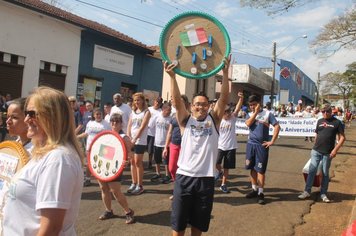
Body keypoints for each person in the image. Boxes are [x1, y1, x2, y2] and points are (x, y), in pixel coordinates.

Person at [164, 55, 230, 236]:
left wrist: (225, 73)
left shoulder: (214, 119)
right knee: (177, 229)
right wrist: (172, 77)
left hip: (205, 180)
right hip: (184, 179)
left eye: (204, 104)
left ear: (209, 106)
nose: (200, 107)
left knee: (197, 228)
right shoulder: (185, 120)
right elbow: (177, 102)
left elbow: (224, 98)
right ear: (191, 106)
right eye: (197, 105)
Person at [3, 86, 84, 235]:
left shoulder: (58, 160)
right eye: (26, 113)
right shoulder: (44, 153)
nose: (26, 119)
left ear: (52, 116)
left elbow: (50, 229)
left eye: (31, 114)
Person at [298, 104, 345, 202]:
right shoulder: (320, 121)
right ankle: (307, 191)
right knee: (312, 170)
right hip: (316, 150)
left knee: (325, 173)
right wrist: (315, 143)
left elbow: (342, 138)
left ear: (331, 112)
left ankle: (323, 193)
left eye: (327, 111)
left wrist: (335, 150)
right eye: (323, 111)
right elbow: (317, 133)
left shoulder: (337, 123)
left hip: (328, 153)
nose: (325, 113)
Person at [96, 113, 135, 224]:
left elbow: (130, 154)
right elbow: (101, 152)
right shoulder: (106, 135)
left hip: (115, 168)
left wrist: (126, 161)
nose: (114, 123)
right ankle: (108, 211)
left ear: (121, 123)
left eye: (117, 121)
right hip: (103, 165)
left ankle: (128, 212)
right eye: (112, 121)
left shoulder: (124, 137)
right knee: (103, 188)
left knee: (115, 191)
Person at [245, 94, 280, 205]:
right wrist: (255, 112)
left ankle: (261, 193)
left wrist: (272, 141)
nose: (252, 107)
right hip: (251, 145)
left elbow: (277, 126)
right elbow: (248, 124)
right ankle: (254, 189)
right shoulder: (249, 114)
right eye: (250, 105)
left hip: (262, 146)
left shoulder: (268, 114)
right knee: (252, 168)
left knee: (260, 170)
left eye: (254, 104)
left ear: (259, 103)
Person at [215, 92, 243, 193]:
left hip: (231, 147)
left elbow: (238, 108)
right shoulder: (219, 120)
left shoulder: (233, 118)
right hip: (220, 146)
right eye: (226, 112)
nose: (228, 113)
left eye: (229, 112)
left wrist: (241, 98)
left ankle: (223, 184)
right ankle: (220, 172)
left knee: (227, 167)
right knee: (216, 163)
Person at [77, 108, 111, 186]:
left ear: (102, 115)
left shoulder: (106, 124)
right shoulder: (90, 123)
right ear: (93, 115)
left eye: (100, 114)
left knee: (102, 163)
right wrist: (76, 137)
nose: (98, 116)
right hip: (90, 147)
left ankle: (103, 178)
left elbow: (109, 136)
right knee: (89, 163)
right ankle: (88, 179)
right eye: (97, 114)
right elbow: (86, 134)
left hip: (102, 148)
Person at [127, 93, 151, 195]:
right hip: (132, 140)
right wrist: (129, 138)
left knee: (137, 162)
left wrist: (135, 139)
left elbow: (142, 127)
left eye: (138, 100)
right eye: (135, 100)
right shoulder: (133, 112)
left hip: (140, 141)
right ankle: (134, 182)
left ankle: (140, 185)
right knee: (132, 161)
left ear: (143, 101)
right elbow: (129, 126)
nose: (137, 102)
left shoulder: (147, 112)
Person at [150, 103, 172, 184]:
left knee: (166, 160)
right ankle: (158, 173)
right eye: (168, 110)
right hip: (157, 142)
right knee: (157, 159)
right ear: (163, 110)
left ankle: (167, 175)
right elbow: (150, 126)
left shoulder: (170, 119)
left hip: (166, 143)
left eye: (170, 110)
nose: (169, 112)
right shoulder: (157, 116)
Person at [147, 97, 163, 169]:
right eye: (156, 101)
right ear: (154, 101)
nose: (157, 103)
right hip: (145, 132)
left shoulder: (160, 112)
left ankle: (150, 162)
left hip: (153, 133)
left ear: (160, 104)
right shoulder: (149, 109)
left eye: (159, 102)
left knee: (150, 150)